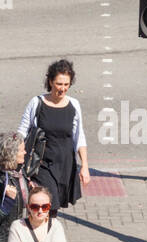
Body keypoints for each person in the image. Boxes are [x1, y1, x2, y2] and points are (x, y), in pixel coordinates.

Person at [17, 58, 90, 212]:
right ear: (50, 82)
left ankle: (42, 233)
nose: (62, 89)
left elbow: (79, 136)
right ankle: (42, 234)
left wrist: (85, 166)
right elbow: (22, 132)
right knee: (48, 206)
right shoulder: (37, 103)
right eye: (59, 84)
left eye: (66, 84)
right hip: (42, 164)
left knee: (51, 209)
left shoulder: (74, 105)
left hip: (65, 165)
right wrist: (18, 158)